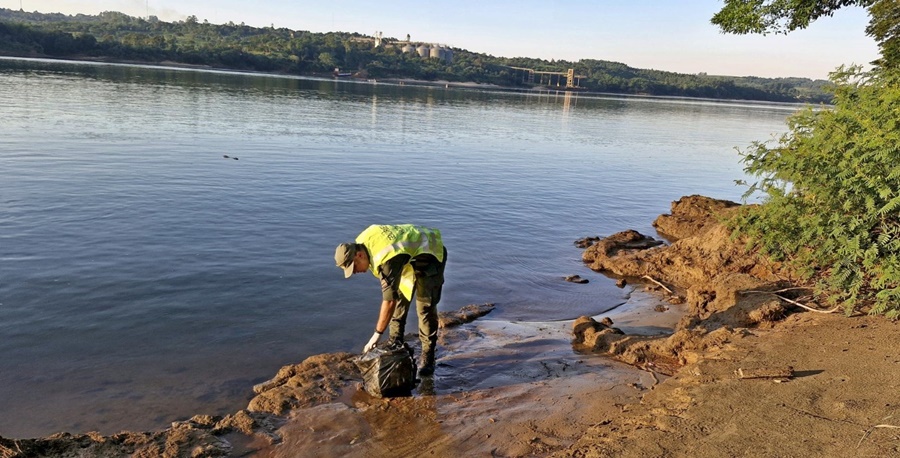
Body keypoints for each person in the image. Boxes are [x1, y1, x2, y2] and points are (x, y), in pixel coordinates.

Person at [335, 224, 447, 376]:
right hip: (408, 260)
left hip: (431, 256)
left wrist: (376, 335)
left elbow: (388, 302)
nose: (355, 272)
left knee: (424, 308)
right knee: (400, 300)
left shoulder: (386, 259)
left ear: (359, 255)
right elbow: (393, 298)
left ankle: (428, 357)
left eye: (353, 267)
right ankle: (396, 343)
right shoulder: (362, 242)